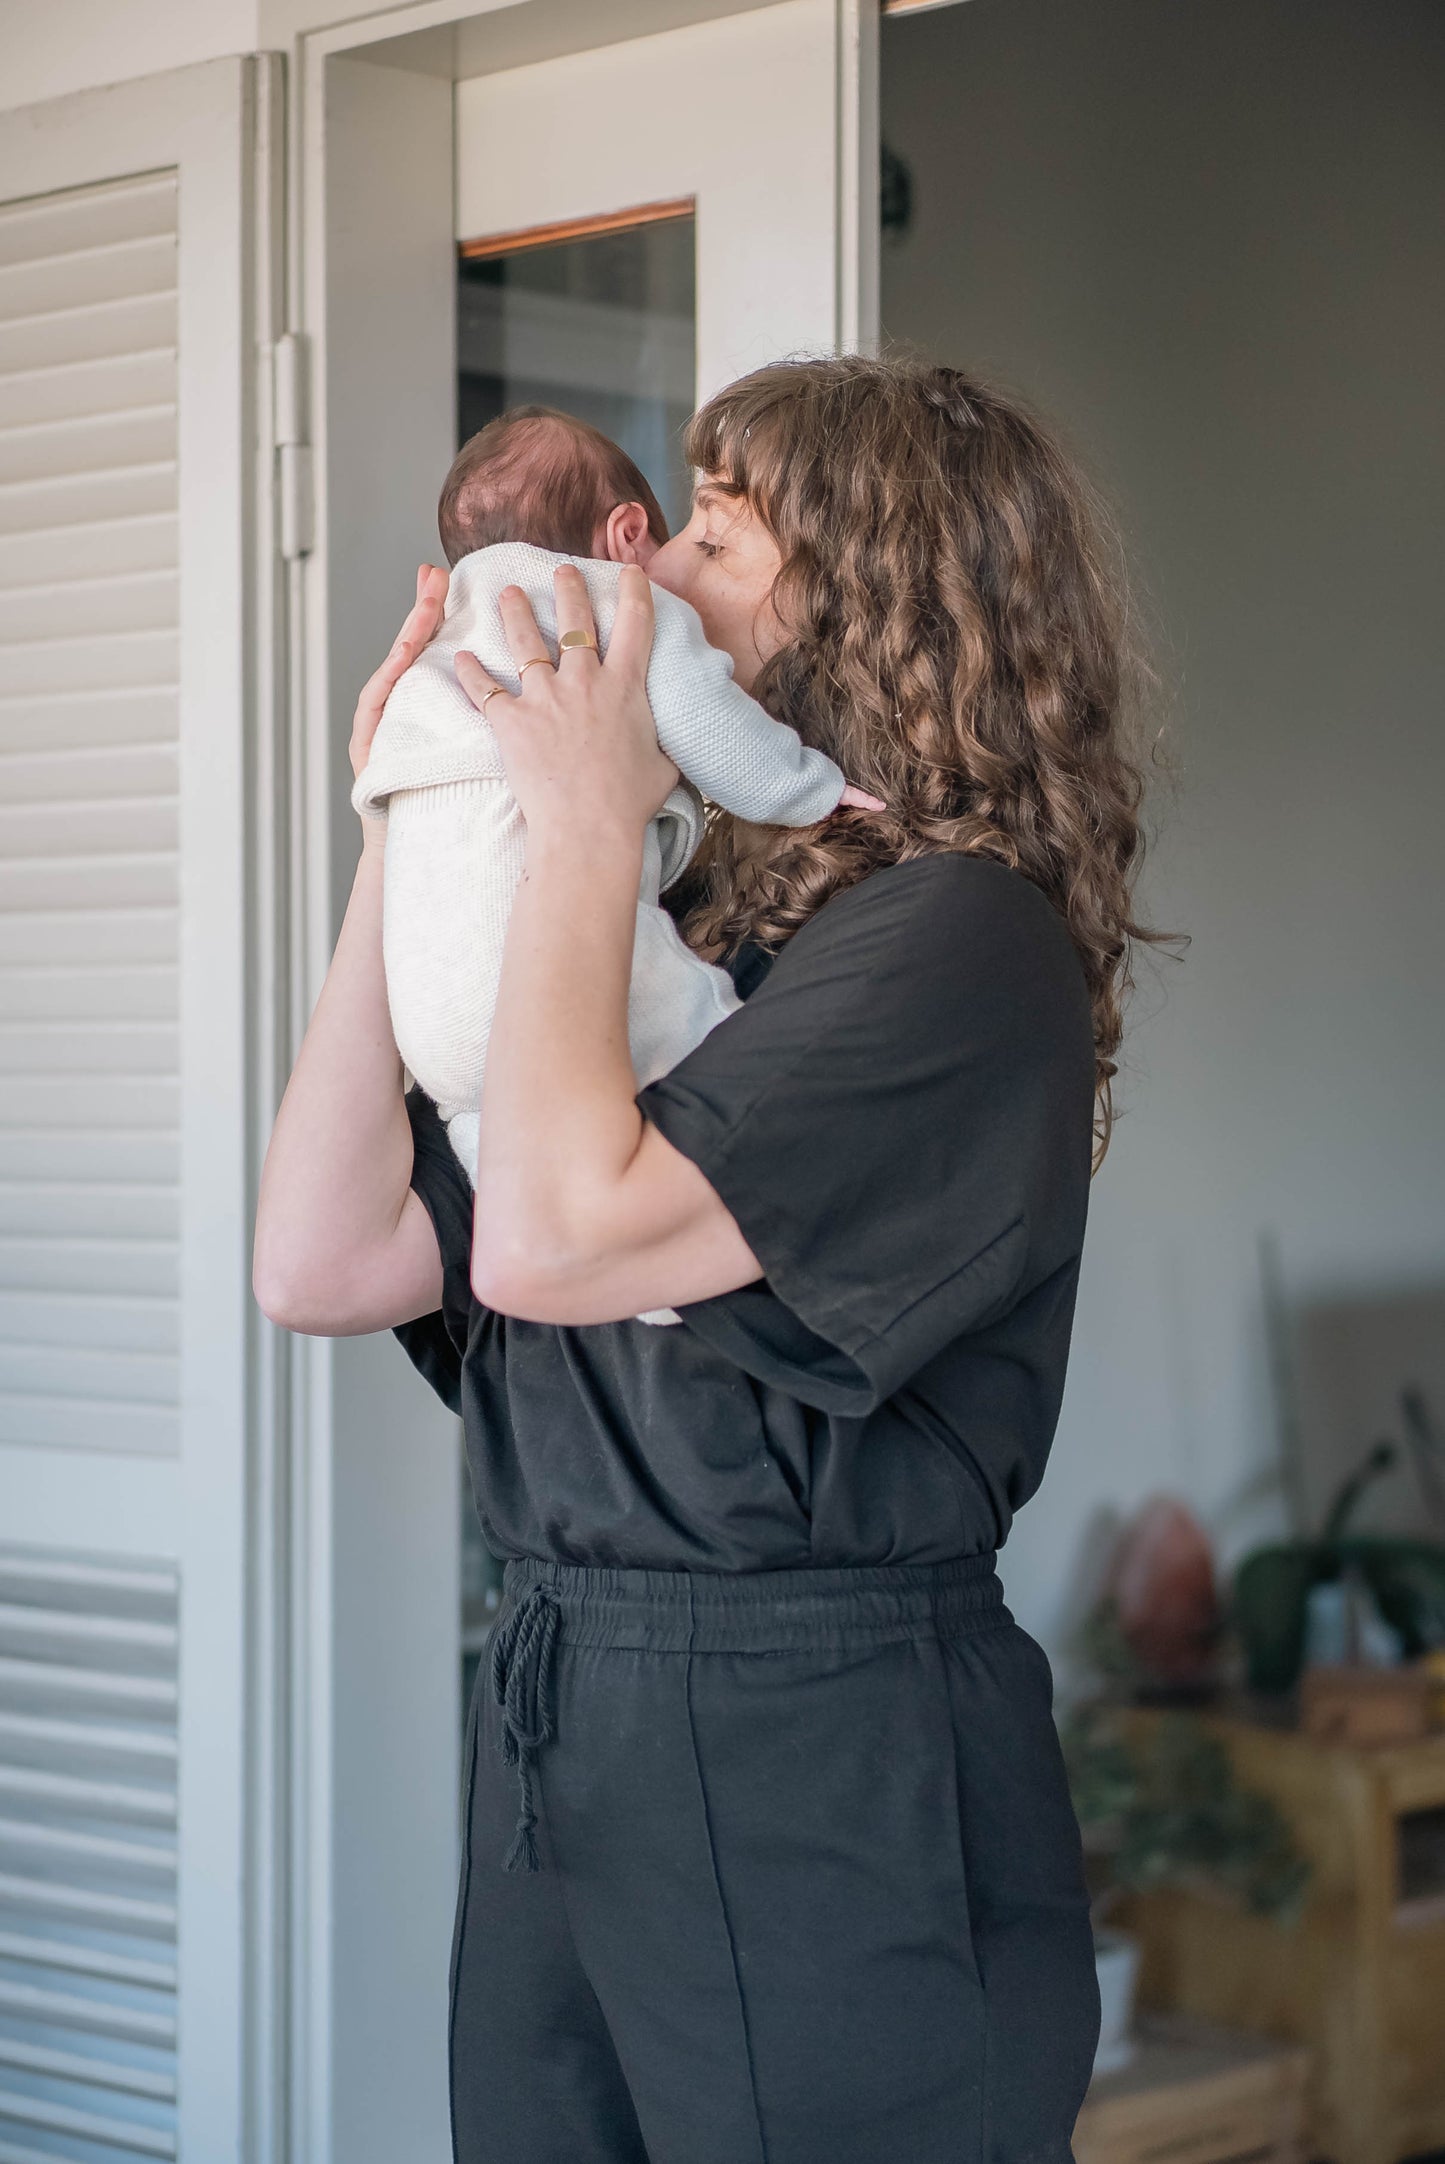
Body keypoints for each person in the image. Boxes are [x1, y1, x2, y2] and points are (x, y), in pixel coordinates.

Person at [254, 353, 1164, 2164]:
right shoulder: (670, 935)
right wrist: (417, 799)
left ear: (875, 590)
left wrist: (584, 815)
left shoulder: (963, 948)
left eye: (716, 538)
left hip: (824, 1754)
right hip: (566, 1712)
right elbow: (323, 1250)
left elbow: (545, 1231)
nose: (645, 570)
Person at [353, 408, 879, 1248]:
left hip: (431, 1020)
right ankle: (654, 1269)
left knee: (499, 1160)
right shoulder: (620, 609)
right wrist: (811, 788)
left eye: (712, 544)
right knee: (694, 1017)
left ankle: (563, 1249)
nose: (672, 563)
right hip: (549, 995)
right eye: (690, 535)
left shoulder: (436, 656)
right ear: (627, 532)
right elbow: (716, 733)